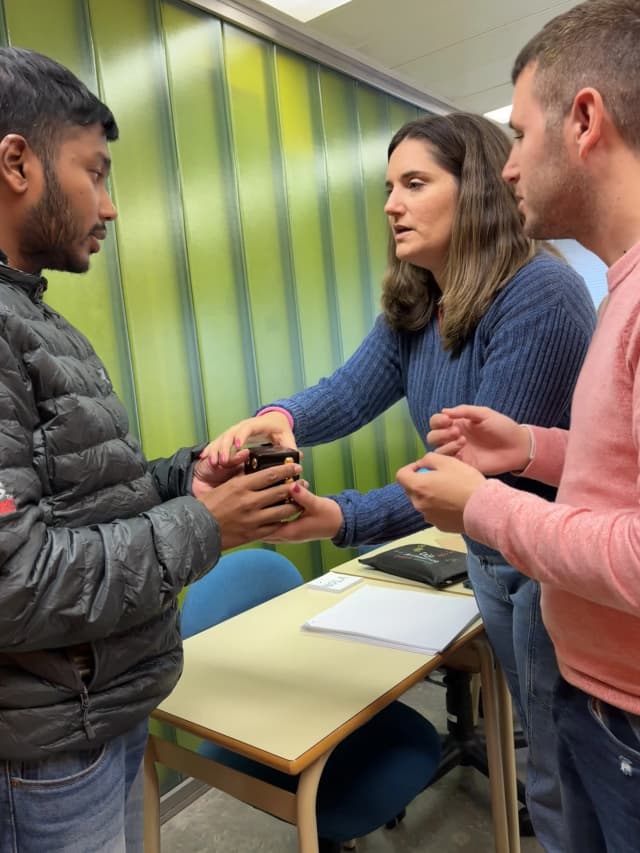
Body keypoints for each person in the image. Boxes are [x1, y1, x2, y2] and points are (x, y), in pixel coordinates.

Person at [205, 112, 596, 849]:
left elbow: (469, 480)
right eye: (389, 186)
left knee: (562, 765)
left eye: (415, 183)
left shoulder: (539, 295)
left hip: (549, 568)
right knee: (550, 754)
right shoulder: (422, 299)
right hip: (488, 555)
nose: (391, 204)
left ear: (476, 190)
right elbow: (351, 391)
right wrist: (279, 417)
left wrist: (337, 517)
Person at [0, 47, 301, 853]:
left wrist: (190, 472)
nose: (110, 205)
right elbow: (13, 579)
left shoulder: (34, 318)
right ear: (17, 162)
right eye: (94, 172)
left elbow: (89, 495)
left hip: (99, 714)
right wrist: (206, 524)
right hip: (51, 754)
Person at [396, 2, 640, 850]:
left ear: (584, 122)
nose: (508, 168)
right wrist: (532, 447)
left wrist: (489, 506)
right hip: (599, 689)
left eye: (522, 134)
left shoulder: (576, 293)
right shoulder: (623, 287)